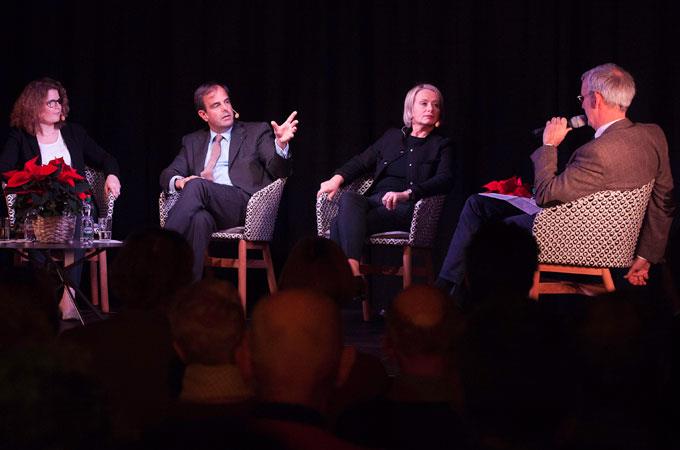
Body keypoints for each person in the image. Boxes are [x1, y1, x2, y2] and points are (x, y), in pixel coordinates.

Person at [436, 63, 675, 296]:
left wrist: (549, 145)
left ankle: (453, 296)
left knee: (493, 233)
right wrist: (646, 256)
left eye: (582, 99)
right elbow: (664, 198)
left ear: (596, 99)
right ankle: (447, 289)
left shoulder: (596, 152)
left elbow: (545, 196)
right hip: (611, 242)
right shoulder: (653, 135)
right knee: (478, 204)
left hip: (567, 237)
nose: (582, 106)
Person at [0, 77, 122, 319]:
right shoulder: (20, 136)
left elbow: (107, 158)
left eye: (59, 101)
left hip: (76, 204)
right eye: (51, 102)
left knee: (74, 210)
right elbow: (4, 169)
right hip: (38, 206)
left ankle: (69, 298)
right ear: (34, 106)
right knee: (36, 218)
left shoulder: (74, 132)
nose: (58, 106)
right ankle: (45, 299)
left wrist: (112, 176)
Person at [160, 82, 298, 281]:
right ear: (203, 115)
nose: (225, 109)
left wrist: (281, 145)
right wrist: (180, 182)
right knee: (199, 220)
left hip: (245, 207)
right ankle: (187, 291)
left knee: (197, 185)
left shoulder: (255, 132)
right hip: (208, 208)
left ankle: (160, 250)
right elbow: (167, 174)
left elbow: (280, 172)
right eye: (216, 105)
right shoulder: (192, 142)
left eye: (227, 102)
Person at [317, 83, 454, 279]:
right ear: (410, 110)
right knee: (348, 198)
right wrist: (336, 179)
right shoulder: (392, 137)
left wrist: (407, 194)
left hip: (407, 208)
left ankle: (346, 278)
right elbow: (361, 161)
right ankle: (352, 272)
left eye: (436, 105)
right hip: (375, 201)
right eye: (424, 103)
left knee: (339, 223)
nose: (430, 109)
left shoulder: (441, 145)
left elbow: (445, 179)